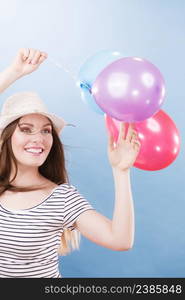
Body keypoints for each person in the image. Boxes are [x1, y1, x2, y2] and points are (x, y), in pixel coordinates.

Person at [0, 48, 141, 278]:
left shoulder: (61, 198)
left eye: (46, 131)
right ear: (7, 138)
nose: (39, 138)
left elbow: (120, 240)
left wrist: (121, 171)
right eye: (25, 129)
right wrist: (14, 71)